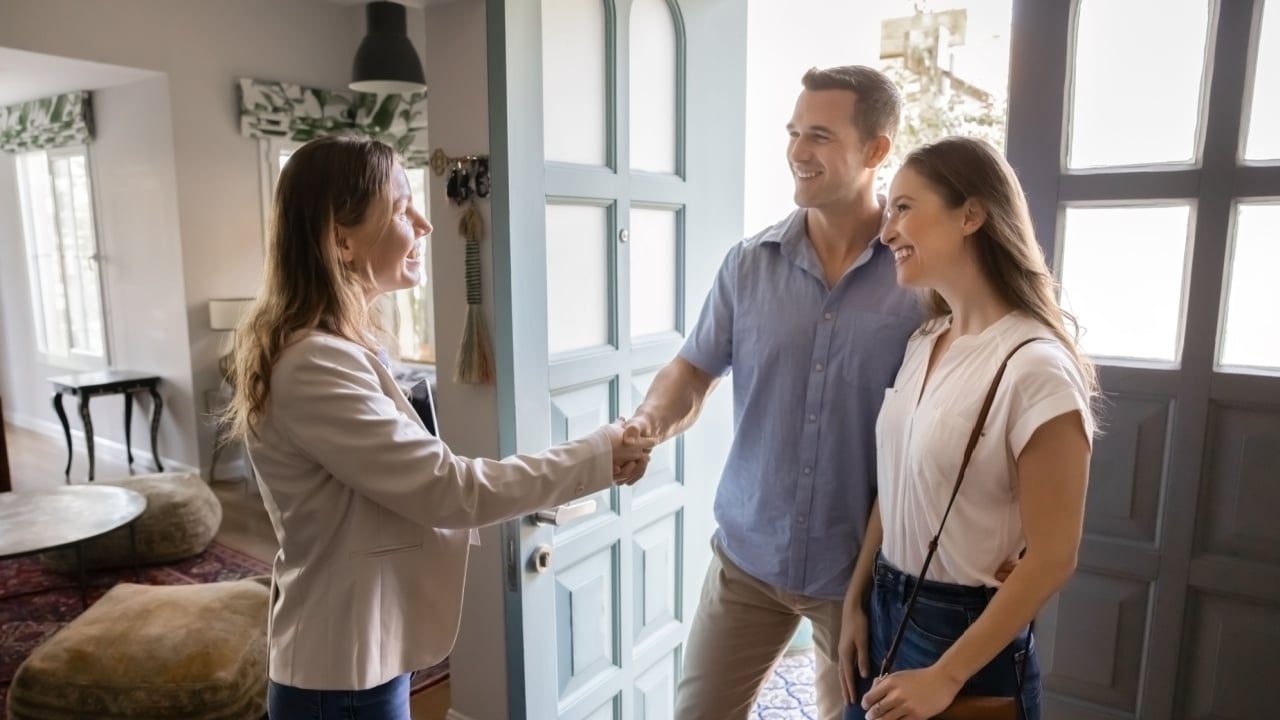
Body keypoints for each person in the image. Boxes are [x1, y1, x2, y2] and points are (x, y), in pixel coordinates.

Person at [221, 134, 654, 719]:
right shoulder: (314, 366)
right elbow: (452, 491)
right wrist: (597, 453)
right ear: (340, 240)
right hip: (340, 675)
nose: (423, 224)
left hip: (360, 661)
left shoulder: (336, 350)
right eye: (401, 208)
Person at [620, 65, 920, 720]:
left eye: (819, 135)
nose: (797, 152)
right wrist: (648, 422)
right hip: (747, 559)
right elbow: (693, 369)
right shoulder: (748, 264)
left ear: (876, 151)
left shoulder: (920, 282)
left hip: (859, 581)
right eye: (793, 132)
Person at [839, 136, 1097, 720]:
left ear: (972, 215)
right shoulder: (924, 341)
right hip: (883, 606)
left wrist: (945, 675)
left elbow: (1054, 555)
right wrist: (855, 601)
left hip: (962, 635)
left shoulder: (1035, 366)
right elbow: (897, 480)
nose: (886, 233)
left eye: (904, 208)